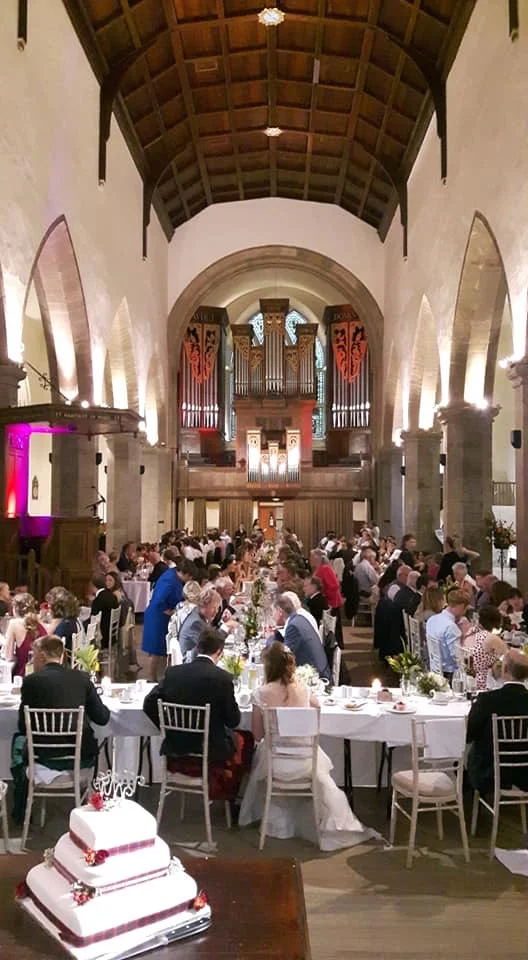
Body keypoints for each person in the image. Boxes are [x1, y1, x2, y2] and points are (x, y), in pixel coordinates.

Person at [238, 642, 371, 850]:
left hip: (276, 764)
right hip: (306, 762)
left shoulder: (261, 693)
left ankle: (275, 817)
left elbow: (257, 735)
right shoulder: (304, 690)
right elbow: (317, 709)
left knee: (259, 756)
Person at [143, 627, 252, 803]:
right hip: (210, 748)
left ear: (198, 647)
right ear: (219, 652)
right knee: (245, 740)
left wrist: (166, 726)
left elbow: (148, 703)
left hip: (177, 744)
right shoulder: (223, 679)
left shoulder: (174, 673)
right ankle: (232, 798)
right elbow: (233, 721)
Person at [18, 634, 110, 771]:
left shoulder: (31, 682)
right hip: (80, 758)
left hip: (41, 757)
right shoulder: (82, 679)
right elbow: (102, 718)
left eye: (33, 657)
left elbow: (22, 726)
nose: (32, 662)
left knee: (17, 742)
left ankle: (22, 790)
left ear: (42, 656)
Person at [467, 650, 528, 795]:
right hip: (525, 774)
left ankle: (468, 808)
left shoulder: (487, 700)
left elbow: (469, 734)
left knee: (465, 756)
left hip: (490, 773)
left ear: (504, 669)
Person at [141, 549, 184, 682]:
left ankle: (161, 676)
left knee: (161, 649)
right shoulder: (170, 579)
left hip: (160, 616)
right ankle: (152, 678)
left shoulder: (172, 575)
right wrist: (168, 610)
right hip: (157, 616)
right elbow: (159, 598)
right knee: (156, 649)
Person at [274, 593, 331, 681]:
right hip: (318, 670)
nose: (273, 615)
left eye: (273, 611)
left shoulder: (293, 627)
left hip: (317, 679)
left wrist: (270, 638)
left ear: (280, 611)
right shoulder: (299, 618)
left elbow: (283, 658)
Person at [425, 589, 469, 678]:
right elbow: (458, 658)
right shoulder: (451, 627)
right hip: (450, 674)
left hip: (434, 669)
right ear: (461, 606)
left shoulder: (432, 620)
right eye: (465, 609)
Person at [4, 593, 47, 677]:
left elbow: (8, 656)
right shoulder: (39, 621)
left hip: (24, 675)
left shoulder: (14, 623)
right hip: (43, 673)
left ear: (15, 608)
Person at [309, 549, 343, 648]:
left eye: (312, 557)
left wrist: (324, 595)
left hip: (331, 602)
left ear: (318, 558)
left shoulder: (325, 569)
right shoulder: (318, 569)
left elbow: (334, 585)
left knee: (332, 627)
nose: (310, 559)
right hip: (326, 601)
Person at [467, 605, 506, 691]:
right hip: (484, 683)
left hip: (468, 680)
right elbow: (509, 658)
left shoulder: (471, 631)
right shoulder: (491, 638)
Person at [178, 586, 222, 661]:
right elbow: (209, 646)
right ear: (204, 605)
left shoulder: (198, 615)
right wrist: (225, 630)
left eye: (217, 608)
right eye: (214, 608)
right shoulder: (196, 623)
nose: (216, 612)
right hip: (190, 662)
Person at [90, 575, 119, 648]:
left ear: (93, 586)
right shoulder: (111, 594)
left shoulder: (99, 599)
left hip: (103, 637)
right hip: (111, 634)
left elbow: (93, 618)